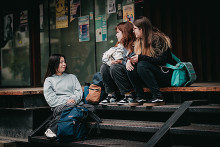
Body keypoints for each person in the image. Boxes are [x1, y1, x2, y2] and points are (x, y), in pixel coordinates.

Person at [127, 16, 176, 106]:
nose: (133, 31)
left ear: (141, 29)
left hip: (166, 75)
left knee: (142, 65)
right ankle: (140, 97)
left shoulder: (158, 39)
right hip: (152, 76)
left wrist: (141, 57)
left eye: (135, 29)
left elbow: (162, 61)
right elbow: (136, 56)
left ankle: (158, 97)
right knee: (131, 67)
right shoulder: (139, 41)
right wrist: (129, 61)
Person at [43, 54, 83, 138]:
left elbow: (78, 91)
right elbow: (51, 100)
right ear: (54, 64)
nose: (64, 64)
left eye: (64, 62)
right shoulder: (49, 80)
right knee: (74, 109)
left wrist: (74, 99)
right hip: (59, 106)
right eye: (61, 62)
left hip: (74, 104)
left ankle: (52, 129)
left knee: (75, 108)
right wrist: (68, 102)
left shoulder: (72, 77)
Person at [99, 21, 136, 105]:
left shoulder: (134, 45)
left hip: (132, 75)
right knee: (104, 67)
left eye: (118, 32)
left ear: (125, 33)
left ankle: (128, 96)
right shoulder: (119, 46)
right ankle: (111, 95)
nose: (116, 35)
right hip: (120, 76)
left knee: (115, 67)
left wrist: (121, 61)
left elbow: (134, 62)